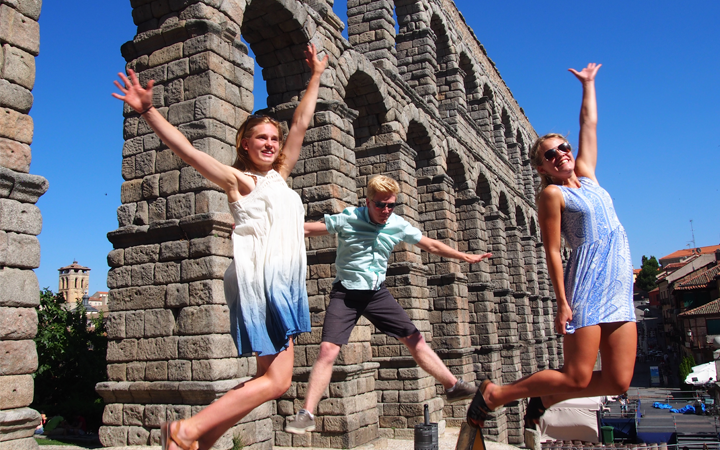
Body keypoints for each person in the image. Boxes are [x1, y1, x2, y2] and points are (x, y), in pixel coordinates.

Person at [113, 44, 328, 450]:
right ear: (244, 143)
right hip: (263, 282)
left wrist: (315, 75)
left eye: (273, 139)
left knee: (270, 379)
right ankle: (186, 431)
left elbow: (300, 124)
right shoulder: (239, 180)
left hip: (282, 281)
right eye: (260, 138)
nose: (269, 143)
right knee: (279, 381)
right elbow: (189, 152)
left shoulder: (279, 177)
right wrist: (148, 111)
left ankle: (199, 440)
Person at [465, 63, 636, 427]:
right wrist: (562, 303)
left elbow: (589, 124)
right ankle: (496, 395)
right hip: (587, 286)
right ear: (542, 168)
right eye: (550, 155)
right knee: (578, 375)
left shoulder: (588, 177)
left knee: (619, 381)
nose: (560, 154)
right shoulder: (552, 195)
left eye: (562, 148)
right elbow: (553, 250)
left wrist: (588, 85)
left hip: (620, 286)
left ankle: (545, 397)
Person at [285, 174, 492, 434]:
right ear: (368, 201)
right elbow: (305, 229)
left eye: (390, 205)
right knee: (328, 350)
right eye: (380, 205)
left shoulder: (397, 225)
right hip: (346, 294)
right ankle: (307, 414)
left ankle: (452, 385)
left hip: (376, 293)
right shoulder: (349, 218)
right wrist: (256, 228)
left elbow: (431, 245)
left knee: (415, 338)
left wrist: (464, 256)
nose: (385, 211)